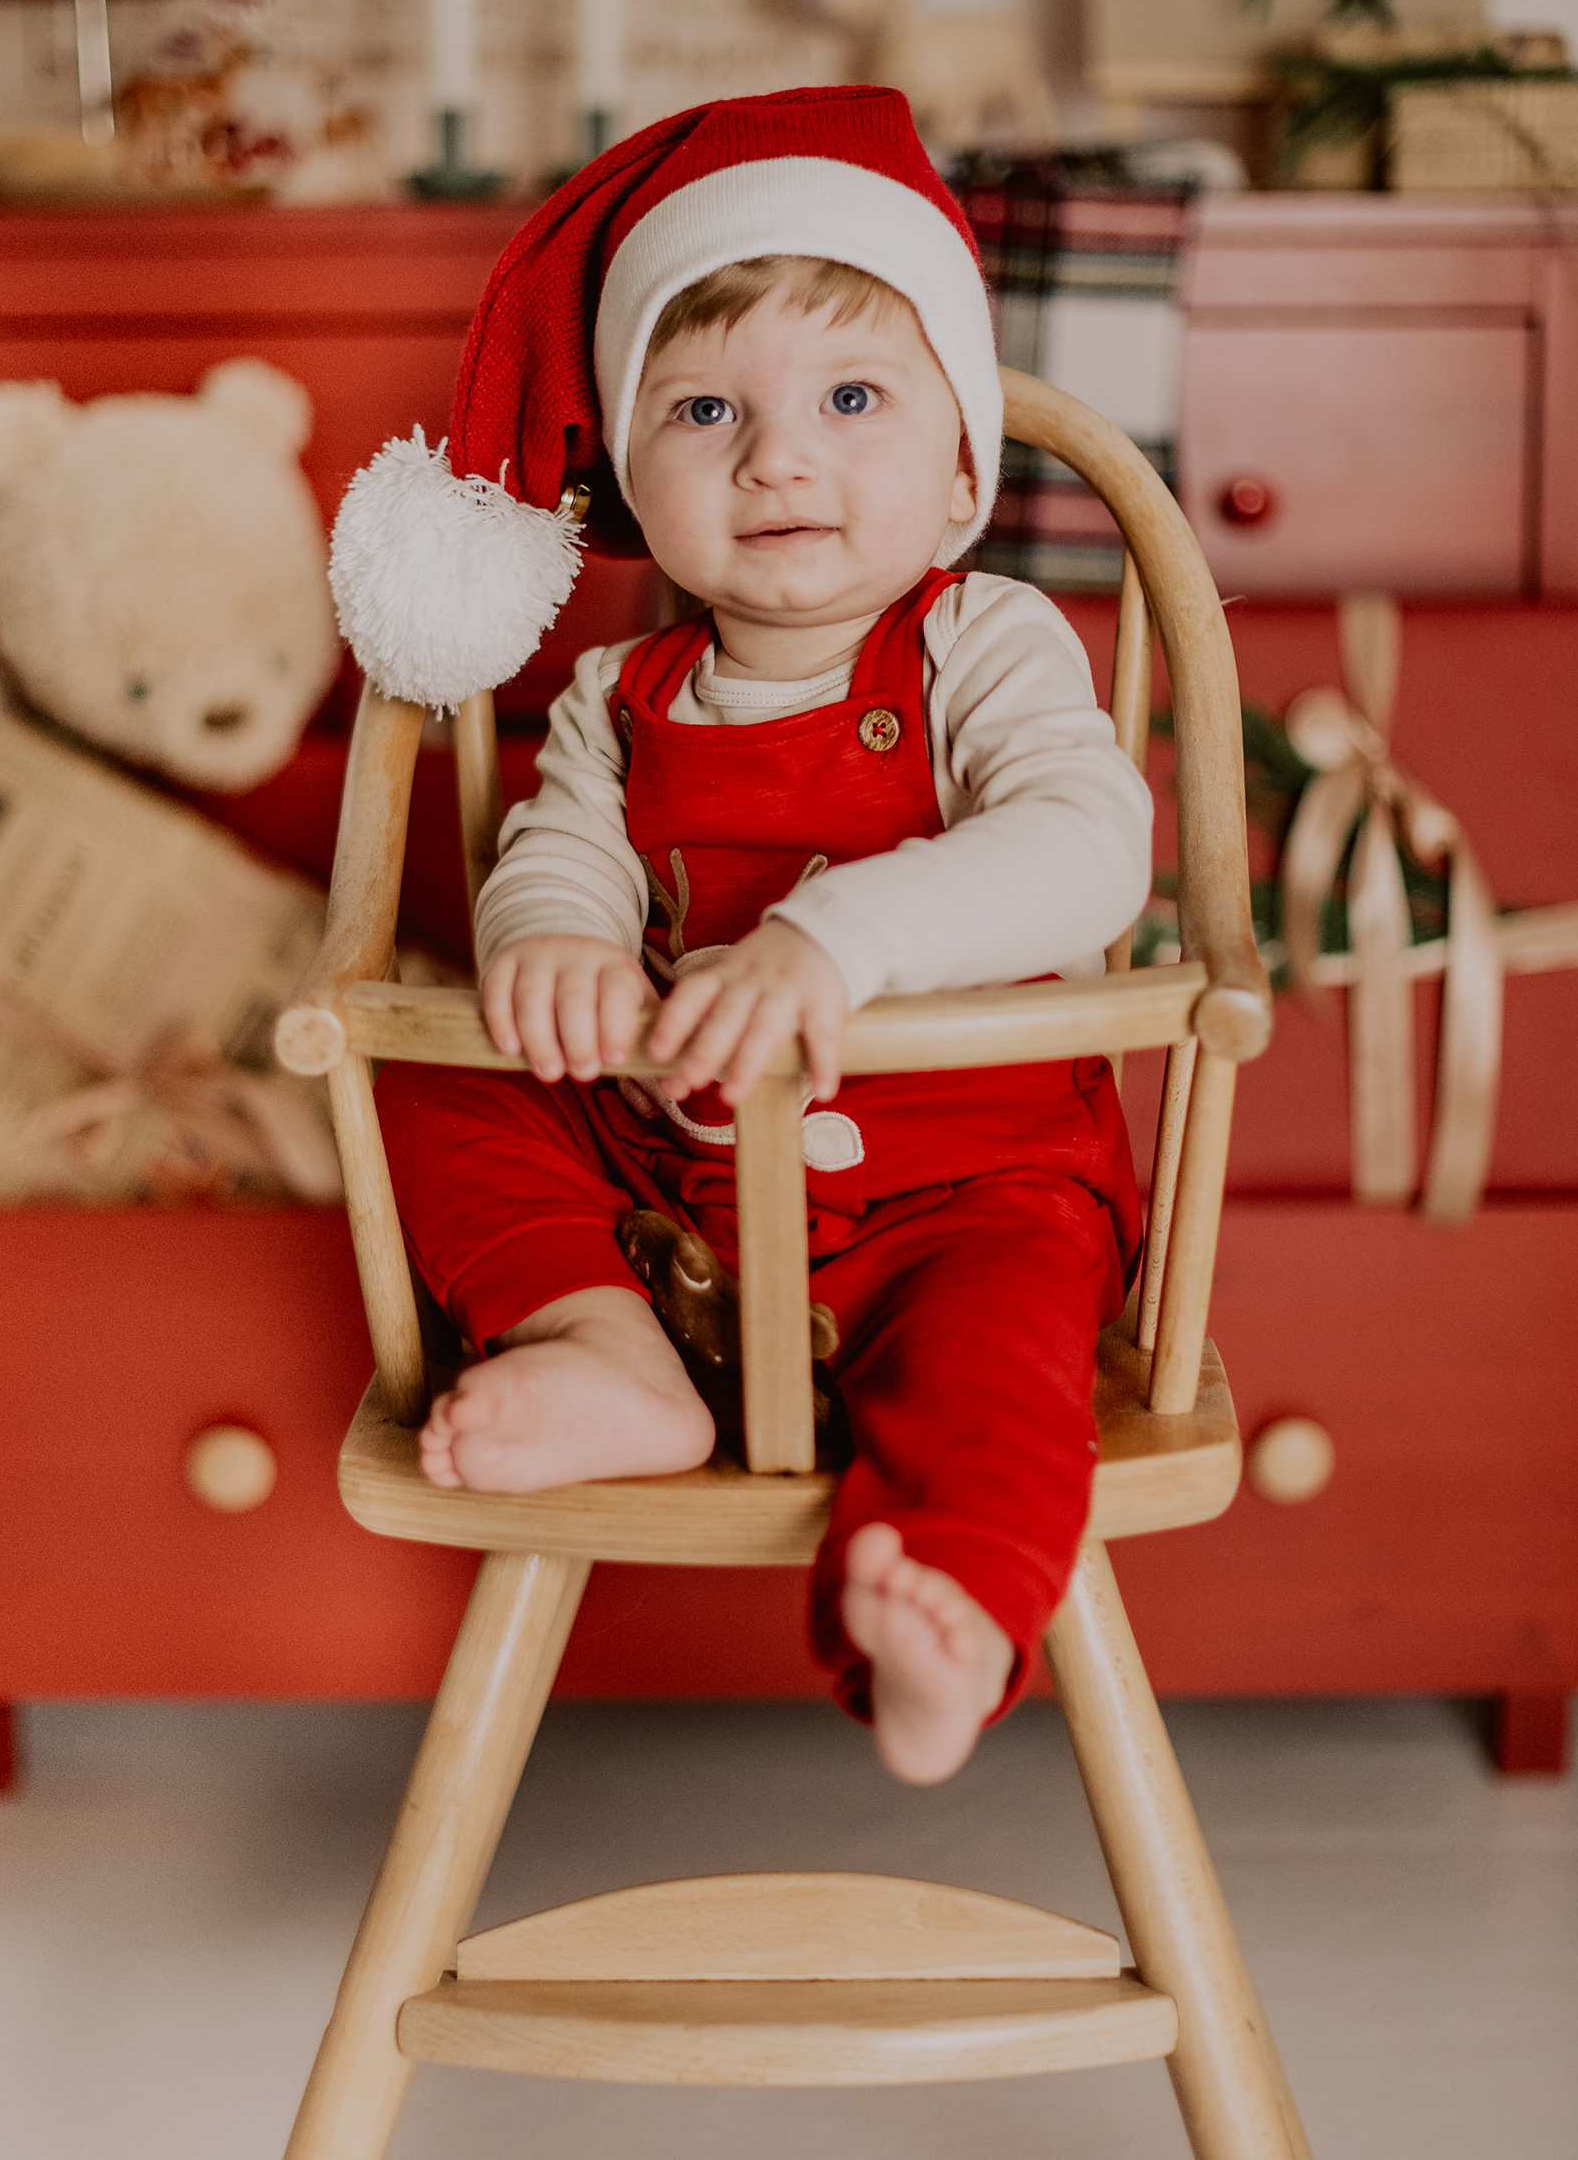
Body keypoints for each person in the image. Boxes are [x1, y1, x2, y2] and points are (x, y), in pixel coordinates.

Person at [329, 88, 1152, 1783]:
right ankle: (604, 1348)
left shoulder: (985, 644)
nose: (779, 455)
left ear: (957, 460)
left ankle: (945, 1623)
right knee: (433, 1078)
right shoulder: (612, 701)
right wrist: (552, 941)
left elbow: (1088, 849)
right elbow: (554, 862)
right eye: (706, 408)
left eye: (853, 397)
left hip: (965, 1193)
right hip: (680, 1208)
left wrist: (833, 940)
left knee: (1005, 1372)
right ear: (633, 475)